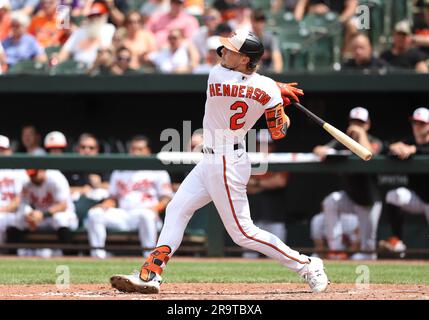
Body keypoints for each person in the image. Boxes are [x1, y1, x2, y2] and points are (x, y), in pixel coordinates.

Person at [110, 29, 329, 294]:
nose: (222, 51)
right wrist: (277, 104)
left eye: (230, 50)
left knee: (243, 233)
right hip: (216, 160)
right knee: (176, 209)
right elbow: (278, 131)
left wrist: (274, 89)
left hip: (226, 162)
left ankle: (308, 265)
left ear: (246, 59)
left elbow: (247, 83)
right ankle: (151, 273)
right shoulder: (264, 88)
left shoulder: (219, 74)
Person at [86, 135, 173, 258]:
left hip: (147, 214)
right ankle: (98, 255)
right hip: (123, 214)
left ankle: (149, 257)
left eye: (140, 149)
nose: (136, 152)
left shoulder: (157, 171)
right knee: (94, 213)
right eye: (133, 149)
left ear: (147, 151)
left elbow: (166, 198)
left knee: (146, 215)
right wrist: (105, 205)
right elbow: (113, 198)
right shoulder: (120, 171)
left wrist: (155, 209)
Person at [313, 107, 383, 260]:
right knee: (331, 201)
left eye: (360, 123)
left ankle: (372, 280)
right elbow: (319, 149)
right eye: (354, 122)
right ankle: (336, 249)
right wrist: (322, 151)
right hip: (350, 197)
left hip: (369, 200)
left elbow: (368, 154)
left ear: (367, 125)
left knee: (368, 249)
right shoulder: (342, 141)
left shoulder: (374, 141)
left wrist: (361, 133)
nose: (356, 125)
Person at [379, 107, 429, 253]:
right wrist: (395, 147)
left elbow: (421, 149)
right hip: (418, 197)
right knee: (395, 195)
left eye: (422, 123)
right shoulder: (408, 141)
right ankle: (397, 240)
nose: (417, 126)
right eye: (415, 123)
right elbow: (385, 149)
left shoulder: (413, 145)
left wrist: (414, 150)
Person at [6, 169, 78, 256]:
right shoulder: (27, 183)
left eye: (35, 174)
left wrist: (43, 215)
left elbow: (63, 205)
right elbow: (23, 204)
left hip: (63, 214)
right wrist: (29, 215)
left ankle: (69, 256)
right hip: (39, 218)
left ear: (43, 171)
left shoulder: (56, 178)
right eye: (30, 175)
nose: (32, 177)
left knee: (60, 219)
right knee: (16, 221)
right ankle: (11, 257)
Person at [244, 130, 288, 258]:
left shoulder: (280, 160)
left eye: (267, 144)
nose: (263, 147)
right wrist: (266, 184)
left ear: (273, 146)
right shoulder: (247, 160)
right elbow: (243, 186)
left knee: (278, 256)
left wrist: (256, 183)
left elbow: (280, 182)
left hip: (275, 217)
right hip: (252, 217)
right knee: (249, 256)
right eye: (260, 144)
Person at [57, 1, 116, 67]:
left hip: (97, 67)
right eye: (92, 16)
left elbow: (107, 49)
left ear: (104, 16)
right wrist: (58, 60)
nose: (95, 18)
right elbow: (65, 51)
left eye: (98, 15)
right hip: (77, 66)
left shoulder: (108, 28)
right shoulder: (80, 31)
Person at [0, 135, 28, 250]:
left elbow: (18, 201)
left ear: (9, 151)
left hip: (15, 213)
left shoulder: (18, 171)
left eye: (2, 150)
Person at [65, 133, 109, 202]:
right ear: (77, 148)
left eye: (91, 148)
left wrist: (99, 185)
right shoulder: (70, 165)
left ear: (97, 150)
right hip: (76, 203)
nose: (87, 150)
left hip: (98, 205)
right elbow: (62, 189)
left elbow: (112, 187)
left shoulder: (103, 165)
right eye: (83, 147)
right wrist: (81, 189)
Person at [250, 9, 283, 74]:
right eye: (257, 20)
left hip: (269, 72)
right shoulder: (248, 38)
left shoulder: (270, 38)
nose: (259, 23)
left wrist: (278, 75)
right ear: (252, 21)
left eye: (262, 20)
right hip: (252, 74)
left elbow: (277, 56)